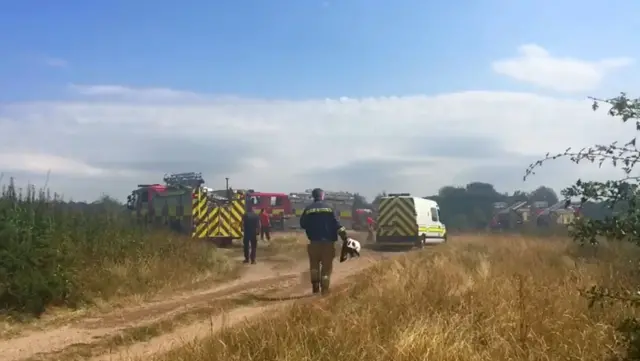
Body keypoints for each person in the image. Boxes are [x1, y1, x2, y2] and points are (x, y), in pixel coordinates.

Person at [299, 188, 349, 295]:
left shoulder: (308, 209)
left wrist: (312, 226)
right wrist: (345, 237)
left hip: (314, 243)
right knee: (326, 268)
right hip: (328, 243)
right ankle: (325, 290)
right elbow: (337, 224)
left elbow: (302, 224)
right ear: (322, 196)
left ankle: (315, 287)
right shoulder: (330, 208)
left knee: (314, 266)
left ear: (313, 196)